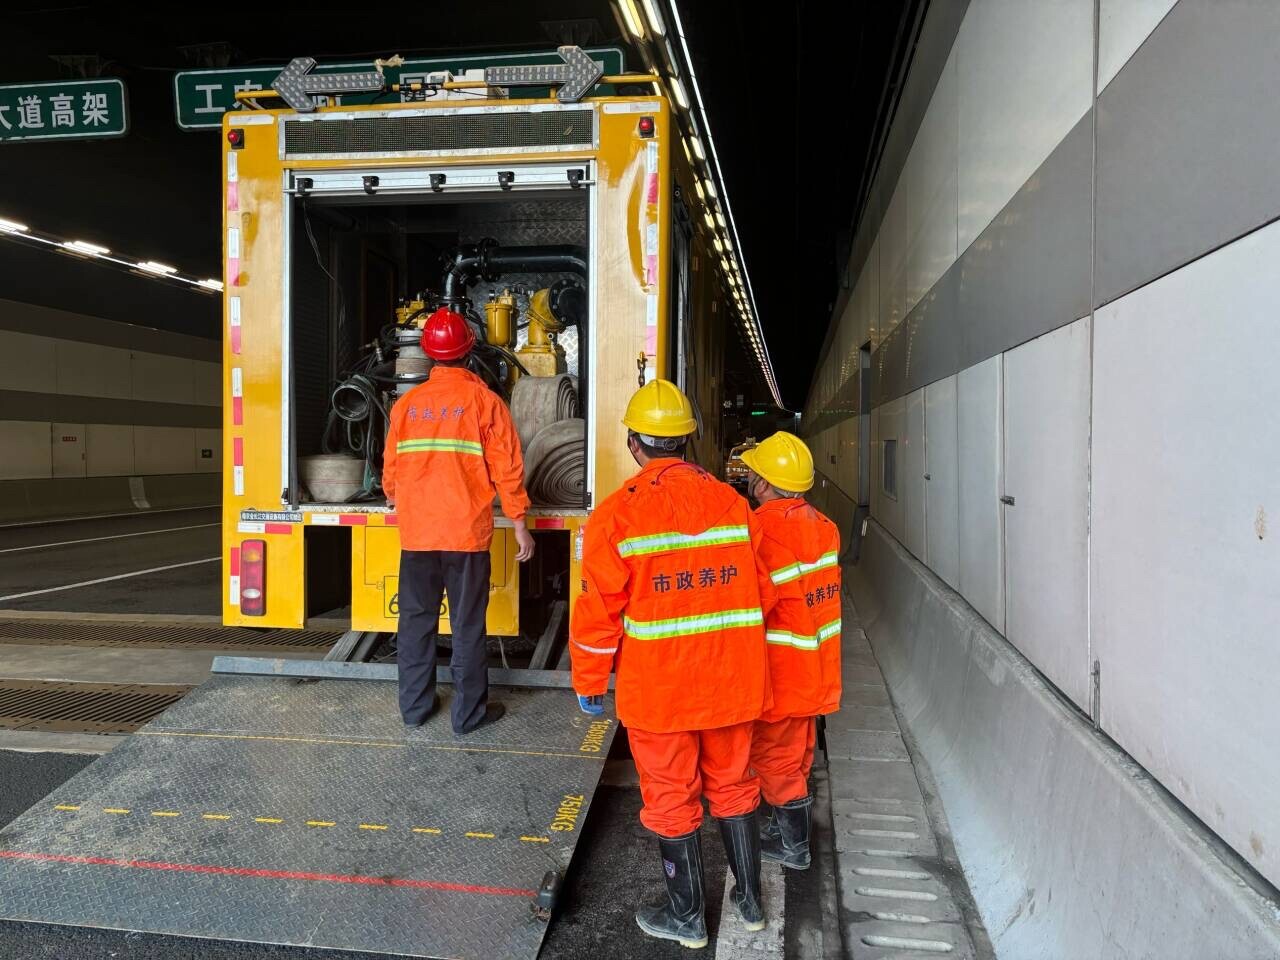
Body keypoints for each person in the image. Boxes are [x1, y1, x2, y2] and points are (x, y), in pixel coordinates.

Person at [570, 378, 776, 948]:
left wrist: (590, 681)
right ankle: (751, 902)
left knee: (670, 796)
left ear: (634, 443)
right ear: (687, 440)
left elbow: (597, 613)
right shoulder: (733, 504)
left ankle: (687, 919)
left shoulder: (616, 515)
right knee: (734, 785)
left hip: (659, 692)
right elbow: (764, 591)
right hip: (732, 682)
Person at [383, 307, 535, 735]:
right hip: (465, 535)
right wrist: (519, 522)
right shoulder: (485, 402)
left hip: (417, 536)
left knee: (415, 622)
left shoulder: (407, 406)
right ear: (469, 352)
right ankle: (468, 716)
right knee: (467, 625)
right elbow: (507, 468)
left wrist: (396, 498)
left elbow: (391, 469)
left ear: (428, 354)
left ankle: (414, 709)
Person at [740, 431, 841, 869]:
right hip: (816, 664)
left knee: (774, 757)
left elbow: (754, 605)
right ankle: (786, 830)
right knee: (797, 754)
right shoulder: (825, 527)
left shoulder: (760, 531)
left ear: (763, 483)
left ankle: (794, 847)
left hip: (779, 669)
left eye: (753, 473)